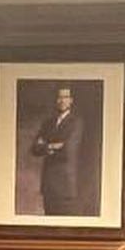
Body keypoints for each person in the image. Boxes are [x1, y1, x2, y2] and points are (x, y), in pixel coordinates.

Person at [30, 84, 84, 215]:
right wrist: (52, 146)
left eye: (65, 97)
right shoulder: (48, 123)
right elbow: (34, 149)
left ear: (71, 100)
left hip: (65, 185)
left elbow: (67, 151)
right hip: (48, 184)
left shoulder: (76, 123)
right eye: (59, 97)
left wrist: (45, 145)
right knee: (48, 219)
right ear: (55, 100)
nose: (62, 100)